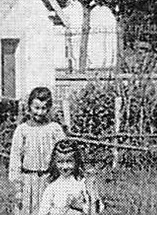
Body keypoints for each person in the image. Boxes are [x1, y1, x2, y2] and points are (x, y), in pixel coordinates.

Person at [9, 86, 67, 214]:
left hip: (49, 181)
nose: (40, 112)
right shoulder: (22, 130)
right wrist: (18, 188)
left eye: (44, 108)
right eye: (36, 108)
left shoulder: (54, 129)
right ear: (29, 106)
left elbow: (64, 154)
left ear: (49, 108)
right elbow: (15, 160)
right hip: (28, 183)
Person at [37, 138, 103, 215]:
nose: (64, 167)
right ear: (54, 163)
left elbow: (97, 210)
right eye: (60, 162)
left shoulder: (82, 183)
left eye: (69, 161)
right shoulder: (52, 187)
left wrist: (80, 206)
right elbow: (42, 212)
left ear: (76, 161)